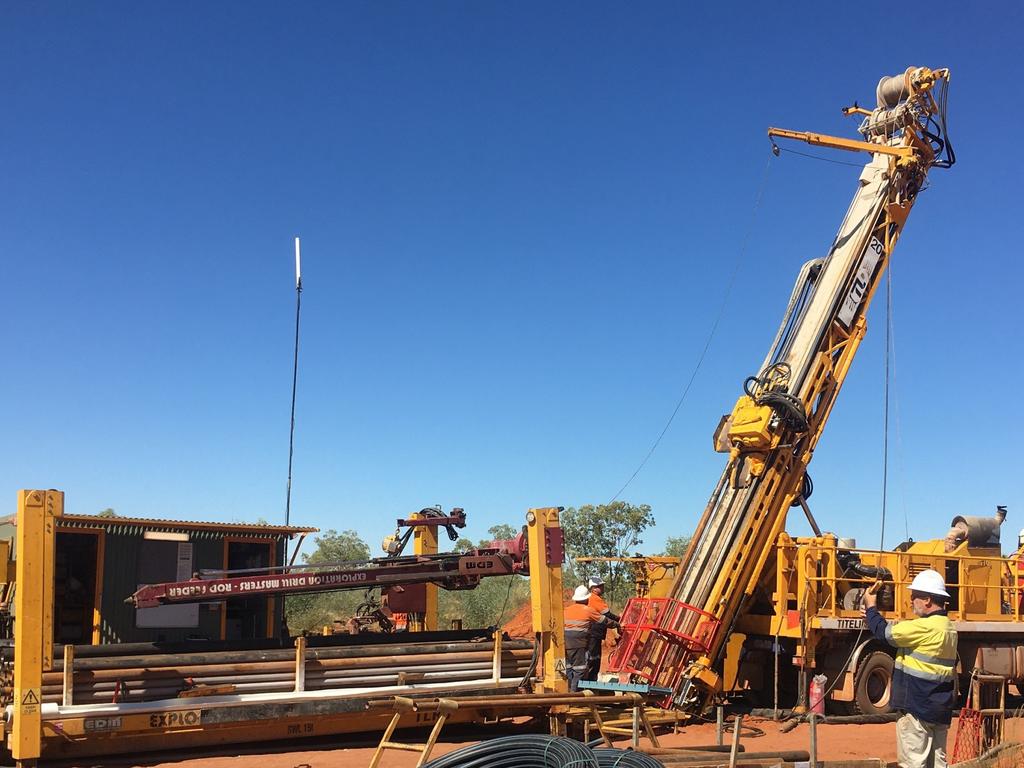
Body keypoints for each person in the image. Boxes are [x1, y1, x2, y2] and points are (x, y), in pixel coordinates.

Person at [862, 568, 958, 768]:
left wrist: (871, 608)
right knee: (938, 763)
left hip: (917, 707)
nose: (911, 601)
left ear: (928, 600)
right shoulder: (949, 628)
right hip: (939, 708)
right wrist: (872, 616)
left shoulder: (924, 627)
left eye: (914, 597)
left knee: (913, 763)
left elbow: (885, 633)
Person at [563, 585, 608, 691]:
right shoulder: (587, 610)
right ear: (586, 599)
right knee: (580, 669)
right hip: (578, 643)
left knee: (569, 668)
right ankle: (574, 696)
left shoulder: (566, 610)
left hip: (565, 643)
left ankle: (568, 692)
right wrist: (617, 624)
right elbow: (604, 620)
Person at [585, 576, 620, 681]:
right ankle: (590, 681)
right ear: (594, 588)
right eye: (600, 586)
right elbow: (607, 614)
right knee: (594, 658)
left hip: (590, 632)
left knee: (591, 657)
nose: (603, 587)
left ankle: (588, 680)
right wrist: (619, 619)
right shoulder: (595, 599)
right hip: (594, 632)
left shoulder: (590, 598)